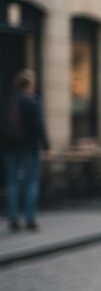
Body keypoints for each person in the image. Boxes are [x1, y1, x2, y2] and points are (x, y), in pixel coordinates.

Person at [2, 70, 49, 232]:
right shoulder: (32, 102)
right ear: (30, 85)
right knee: (30, 183)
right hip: (29, 147)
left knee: (12, 183)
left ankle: (13, 219)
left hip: (10, 147)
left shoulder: (9, 101)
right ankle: (30, 219)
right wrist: (45, 145)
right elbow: (39, 126)